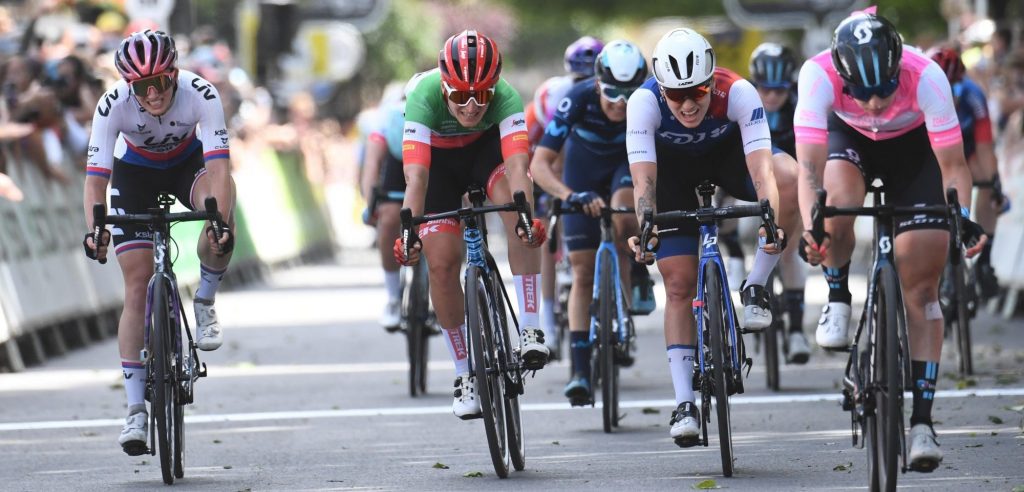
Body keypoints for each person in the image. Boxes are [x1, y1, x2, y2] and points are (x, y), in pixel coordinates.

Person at [794, 11, 987, 471]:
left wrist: (962, 217)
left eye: (883, 88)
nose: (876, 102)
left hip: (913, 151)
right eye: (862, 91)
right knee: (835, 204)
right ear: (842, 77)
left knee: (921, 284)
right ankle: (837, 294)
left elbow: (954, 166)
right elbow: (808, 171)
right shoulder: (817, 74)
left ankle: (922, 422)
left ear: (899, 67)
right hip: (849, 142)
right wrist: (811, 229)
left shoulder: (927, 76)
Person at [625, 28, 799, 446]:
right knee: (679, 285)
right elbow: (644, 184)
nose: (687, 104)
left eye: (698, 92)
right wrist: (646, 228)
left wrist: (768, 219)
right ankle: (684, 403)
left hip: (728, 160)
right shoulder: (643, 102)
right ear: (660, 88)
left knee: (790, 177)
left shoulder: (738, 92)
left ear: (711, 81)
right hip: (672, 177)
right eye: (676, 95)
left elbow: (762, 170)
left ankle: (756, 283)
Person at [82, 30, 236, 456]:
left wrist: (220, 221)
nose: (152, 95)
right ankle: (135, 411)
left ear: (174, 73)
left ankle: (205, 300)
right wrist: (96, 230)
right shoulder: (110, 105)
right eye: (142, 88)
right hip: (135, 175)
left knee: (221, 211)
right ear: (129, 86)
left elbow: (219, 168)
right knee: (136, 282)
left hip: (188, 166)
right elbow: (96, 179)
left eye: (160, 83)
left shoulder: (200, 93)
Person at [394, 30, 549, 420]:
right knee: (442, 264)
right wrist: (408, 232)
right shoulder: (423, 96)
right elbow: (416, 178)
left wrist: (525, 217)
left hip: (487, 156)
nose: (473, 105)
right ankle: (464, 372)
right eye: (461, 96)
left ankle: (530, 327)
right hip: (438, 171)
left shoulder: (508, 97)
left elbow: (517, 167)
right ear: (445, 86)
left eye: (483, 95)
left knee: (517, 212)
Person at [530, 40, 649, 406]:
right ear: (598, 83)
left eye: (629, 95)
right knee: (582, 272)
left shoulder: (648, 102)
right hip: (582, 172)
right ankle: (580, 369)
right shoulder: (577, 98)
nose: (619, 103)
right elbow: (539, 164)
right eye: (612, 92)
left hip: (624, 168)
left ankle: (632, 277)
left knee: (623, 211)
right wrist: (569, 196)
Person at [524, 35, 608, 353]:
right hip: (549, 160)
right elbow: (537, 159)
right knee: (544, 230)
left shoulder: (612, 99)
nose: (584, 84)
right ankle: (547, 311)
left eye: (591, 78)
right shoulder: (550, 99)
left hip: (588, 161)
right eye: (578, 78)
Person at [747, 42, 811, 363]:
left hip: (790, 179)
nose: (771, 97)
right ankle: (733, 257)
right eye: (764, 89)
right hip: (752, 177)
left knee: (788, 246)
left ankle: (798, 330)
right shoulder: (744, 104)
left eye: (779, 90)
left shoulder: (800, 105)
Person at [929, 45, 1008, 299]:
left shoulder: (973, 95)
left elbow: (985, 147)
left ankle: (984, 260)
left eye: (952, 88)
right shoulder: (921, 92)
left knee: (984, 183)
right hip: (932, 149)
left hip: (968, 147)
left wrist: (994, 183)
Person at [361, 84, 409, 331]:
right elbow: (370, 170)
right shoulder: (383, 126)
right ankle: (392, 297)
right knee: (389, 219)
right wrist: (371, 206)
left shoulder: (435, 120)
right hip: (394, 171)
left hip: (430, 164)